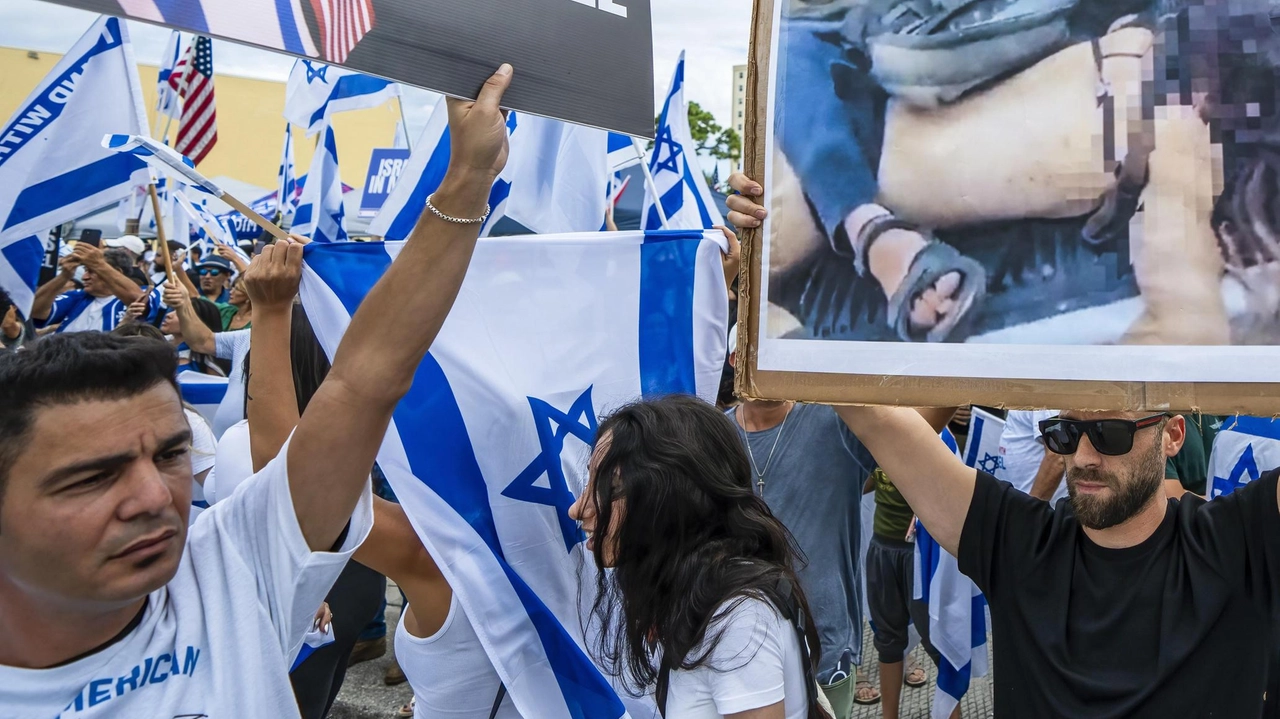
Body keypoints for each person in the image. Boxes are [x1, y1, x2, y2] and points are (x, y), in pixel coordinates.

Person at [0, 63, 516, 716]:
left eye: (170, 455)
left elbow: (365, 379)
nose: (155, 495)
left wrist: (468, 178)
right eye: (92, 477)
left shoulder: (229, 569)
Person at [727, 171, 1280, 717]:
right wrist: (760, 271)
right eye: (1066, 433)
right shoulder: (1022, 544)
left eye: (1109, 434)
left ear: (1172, 434)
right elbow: (869, 413)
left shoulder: (1238, 543)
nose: (1083, 457)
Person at [570, 395, 832, 719]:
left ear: (672, 500)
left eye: (612, 487)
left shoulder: (736, 617)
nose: (578, 509)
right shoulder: (693, 593)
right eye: (590, 480)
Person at [724, 324, 878, 713]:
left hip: (824, 644)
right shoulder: (713, 438)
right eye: (762, 353)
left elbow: (922, 427)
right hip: (737, 646)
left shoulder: (834, 423)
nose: (776, 364)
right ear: (734, 361)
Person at [29, 244, 159, 334]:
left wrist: (98, 264)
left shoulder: (144, 291)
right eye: (85, 270)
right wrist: (64, 276)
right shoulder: (79, 296)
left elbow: (138, 301)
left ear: (116, 271)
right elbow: (37, 311)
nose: (84, 277)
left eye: (91, 271)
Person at [994, 410, 1068, 503]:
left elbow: (1057, 456)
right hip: (1017, 503)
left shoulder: (1042, 398)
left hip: (1037, 509)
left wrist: (1031, 510)